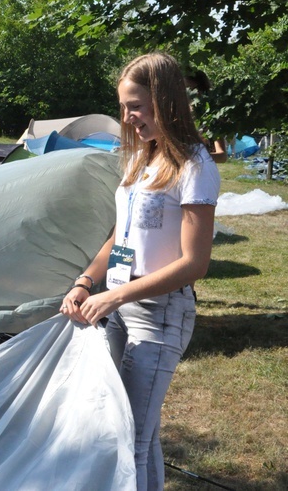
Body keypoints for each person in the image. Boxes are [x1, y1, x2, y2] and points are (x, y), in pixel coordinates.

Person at [60, 53, 220, 491]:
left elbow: (195, 263)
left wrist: (113, 297)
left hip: (161, 314)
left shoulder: (195, 166)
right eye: (124, 107)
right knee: (120, 427)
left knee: (132, 438)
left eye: (136, 107)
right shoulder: (139, 160)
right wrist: (85, 282)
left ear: (166, 103)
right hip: (118, 306)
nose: (127, 118)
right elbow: (119, 240)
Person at [185, 69, 228, 163]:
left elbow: (222, 156)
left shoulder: (212, 117)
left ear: (202, 90)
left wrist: (194, 158)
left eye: (190, 89)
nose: (187, 93)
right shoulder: (176, 115)